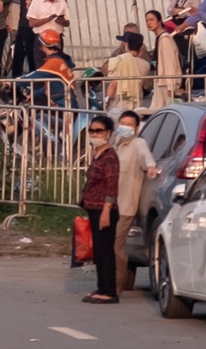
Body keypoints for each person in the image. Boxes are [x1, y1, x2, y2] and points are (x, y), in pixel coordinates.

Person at [114, 108, 159, 288]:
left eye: (129, 125)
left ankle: (117, 285)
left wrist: (150, 167)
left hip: (126, 205)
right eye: (122, 124)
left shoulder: (138, 143)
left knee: (116, 246)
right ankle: (111, 283)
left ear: (137, 129)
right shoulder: (116, 144)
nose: (125, 127)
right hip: (110, 205)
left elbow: (146, 156)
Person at [80, 116, 121, 303]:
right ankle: (101, 286)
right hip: (93, 208)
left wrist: (106, 211)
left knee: (105, 251)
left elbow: (112, 187)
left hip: (104, 210)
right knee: (99, 251)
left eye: (99, 131)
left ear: (108, 133)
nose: (95, 134)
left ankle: (109, 290)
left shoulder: (110, 157)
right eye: (92, 130)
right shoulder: (98, 155)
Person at [102, 31, 150, 109]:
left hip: (118, 104)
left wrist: (107, 100)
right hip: (136, 103)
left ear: (127, 45)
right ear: (140, 48)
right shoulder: (146, 65)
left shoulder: (118, 60)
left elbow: (113, 84)